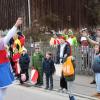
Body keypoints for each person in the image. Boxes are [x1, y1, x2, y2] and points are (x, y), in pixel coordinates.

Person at [0, 17, 23, 100]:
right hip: (2, 68)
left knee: (3, 88)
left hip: (3, 67)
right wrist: (16, 25)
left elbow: (9, 35)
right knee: (2, 89)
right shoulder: (1, 43)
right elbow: (9, 35)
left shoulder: (2, 43)